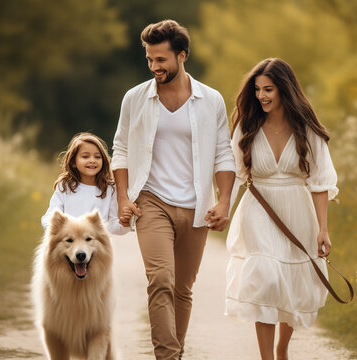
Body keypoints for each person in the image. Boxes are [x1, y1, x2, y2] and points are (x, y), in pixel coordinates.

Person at [111, 20, 235, 360]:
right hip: (151, 202)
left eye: (161, 59)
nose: (154, 67)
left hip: (196, 205)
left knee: (182, 289)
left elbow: (224, 153)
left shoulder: (210, 100)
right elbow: (119, 149)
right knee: (161, 279)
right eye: (149, 59)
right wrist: (123, 197)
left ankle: (175, 354)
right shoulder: (135, 98)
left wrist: (224, 201)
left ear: (182, 55)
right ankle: (167, 356)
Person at [225, 58, 338, 360]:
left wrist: (323, 229)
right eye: (258, 89)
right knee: (265, 278)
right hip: (258, 208)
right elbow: (234, 172)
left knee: (291, 284)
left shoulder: (306, 128)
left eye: (268, 89)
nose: (261, 96)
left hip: (298, 211)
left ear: (285, 90)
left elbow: (320, 181)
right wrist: (223, 206)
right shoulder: (247, 125)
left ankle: (282, 348)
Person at [41, 132, 131, 235]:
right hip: (70, 243)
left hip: (95, 246)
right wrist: (52, 228)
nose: (92, 160)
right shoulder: (65, 186)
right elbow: (51, 215)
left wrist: (124, 223)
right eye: (85, 157)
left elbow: (112, 225)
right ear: (73, 162)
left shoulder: (109, 189)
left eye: (97, 157)